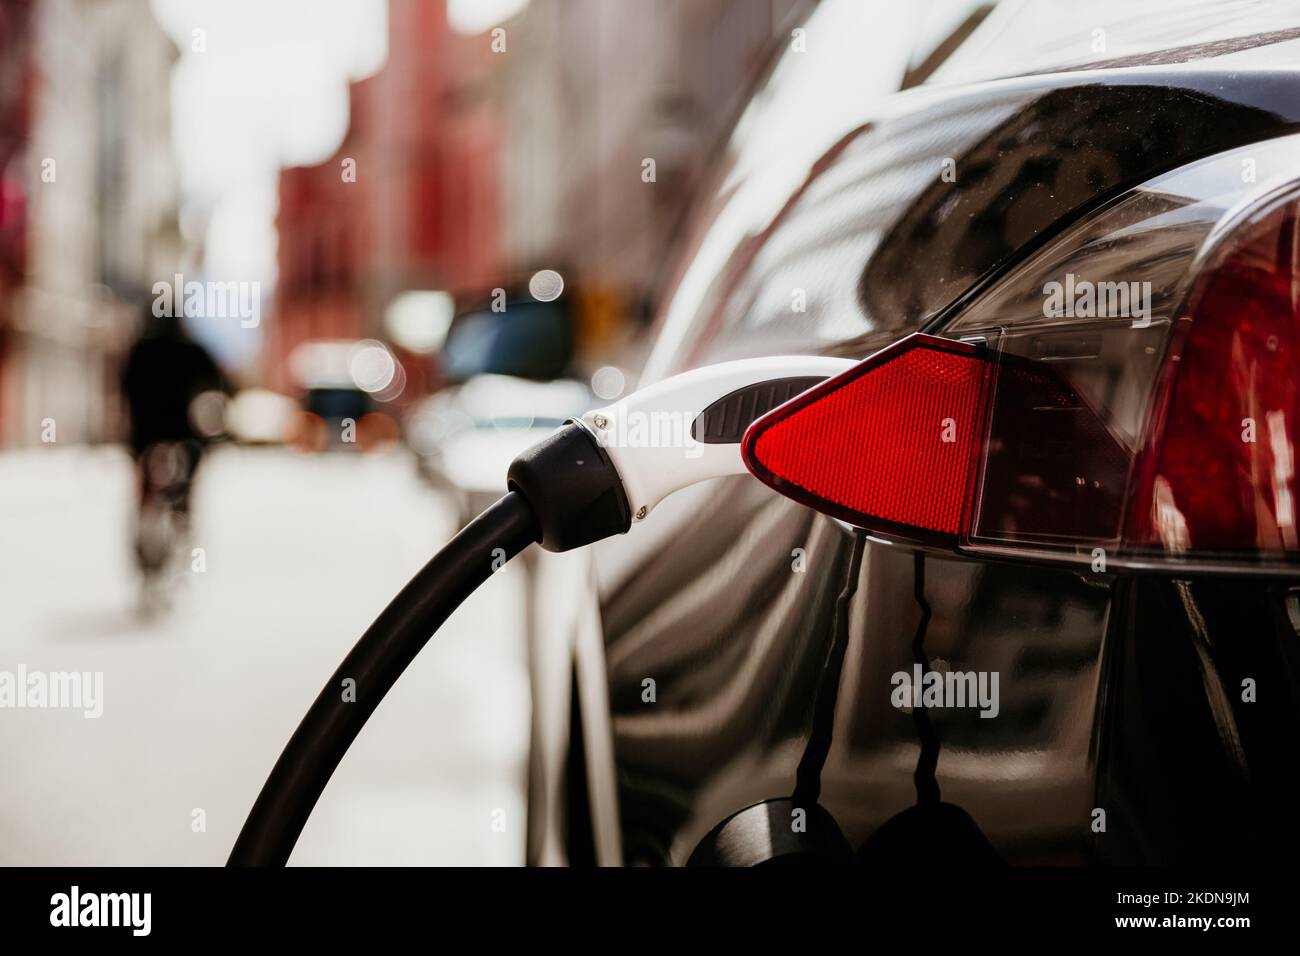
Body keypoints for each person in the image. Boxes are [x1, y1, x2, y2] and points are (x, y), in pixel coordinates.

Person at [119, 305, 226, 612]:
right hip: (184, 438)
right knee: (184, 499)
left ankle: (145, 550)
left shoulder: (141, 348)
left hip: (146, 439)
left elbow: (125, 390)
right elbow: (215, 389)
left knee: (144, 499)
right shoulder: (193, 349)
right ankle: (182, 527)